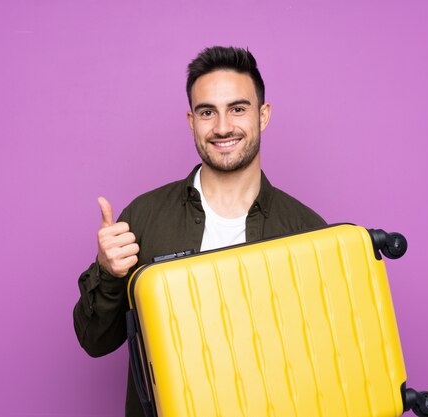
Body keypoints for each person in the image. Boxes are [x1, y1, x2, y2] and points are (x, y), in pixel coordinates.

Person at [73, 46, 326, 417]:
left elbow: (324, 359)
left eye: (238, 109)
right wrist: (108, 273)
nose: (222, 127)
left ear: (264, 115)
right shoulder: (143, 217)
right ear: (192, 121)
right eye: (208, 112)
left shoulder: (308, 233)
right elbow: (94, 341)